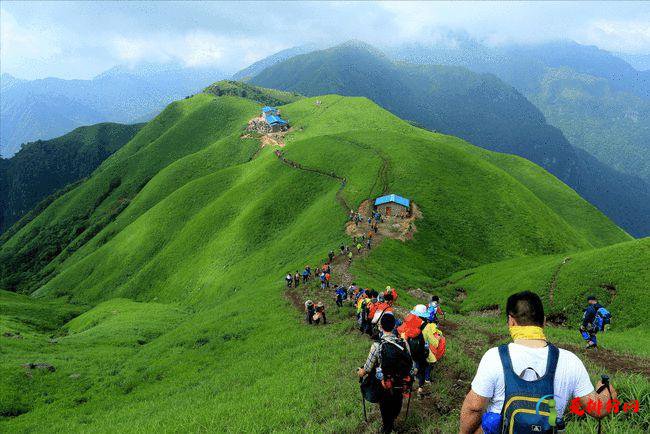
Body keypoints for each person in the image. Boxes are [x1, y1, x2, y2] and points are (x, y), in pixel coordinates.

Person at [459, 291, 617, 434]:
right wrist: (606, 390)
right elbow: (598, 409)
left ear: (511, 321)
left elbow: (474, 408)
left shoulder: (494, 357)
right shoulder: (570, 361)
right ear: (544, 322)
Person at [358, 314, 413, 433]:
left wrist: (361, 372)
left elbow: (367, 367)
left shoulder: (377, 345)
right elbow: (410, 363)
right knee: (396, 402)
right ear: (394, 326)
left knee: (385, 406)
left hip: (384, 383)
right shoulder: (403, 343)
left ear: (381, 326)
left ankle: (387, 428)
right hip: (399, 382)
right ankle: (391, 422)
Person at [398, 304, 430, 395]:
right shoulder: (426, 325)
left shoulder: (409, 322)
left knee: (409, 366)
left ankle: (407, 386)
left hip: (409, 349)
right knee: (422, 367)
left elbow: (401, 333)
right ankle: (420, 387)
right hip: (420, 350)